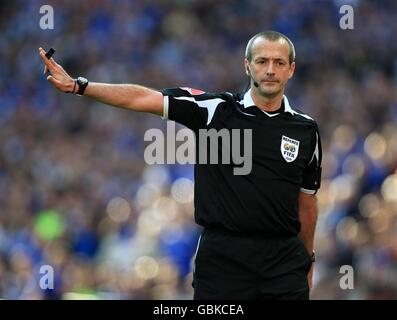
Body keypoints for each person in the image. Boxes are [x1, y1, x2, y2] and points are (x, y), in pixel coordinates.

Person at [38, 30, 322, 300]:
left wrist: (307, 260)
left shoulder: (306, 130)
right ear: (247, 66)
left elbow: (306, 204)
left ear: (291, 69)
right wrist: (80, 86)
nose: (270, 70)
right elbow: (143, 98)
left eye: (279, 62)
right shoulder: (215, 110)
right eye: (262, 61)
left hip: (283, 262)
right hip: (224, 259)